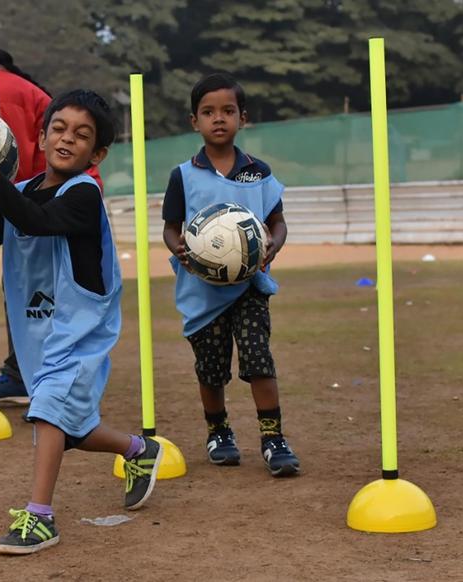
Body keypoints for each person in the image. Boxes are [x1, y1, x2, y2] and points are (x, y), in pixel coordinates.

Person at [0, 89, 161, 555]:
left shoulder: (84, 194)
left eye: (82, 135)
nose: (68, 139)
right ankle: (137, 450)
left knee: (47, 410)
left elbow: (38, 222)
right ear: (41, 136)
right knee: (72, 431)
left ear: (98, 153)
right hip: (37, 332)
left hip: (80, 330)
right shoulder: (21, 191)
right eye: (60, 129)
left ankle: (41, 516)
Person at [0, 18, 103, 407]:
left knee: (51, 286)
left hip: (59, 191)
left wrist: (10, 202)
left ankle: (37, 373)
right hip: (33, 191)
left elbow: (7, 162)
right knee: (22, 283)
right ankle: (22, 371)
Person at [162, 73, 300, 477]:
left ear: (243, 118)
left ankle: (273, 438)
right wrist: (179, 247)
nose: (217, 119)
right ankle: (219, 431)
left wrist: (273, 243)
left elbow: (278, 221)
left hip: (249, 287)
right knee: (211, 368)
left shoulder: (257, 172)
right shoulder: (183, 176)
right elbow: (171, 227)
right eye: (208, 112)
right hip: (201, 292)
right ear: (194, 122)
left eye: (227, 111)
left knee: (259, 360)